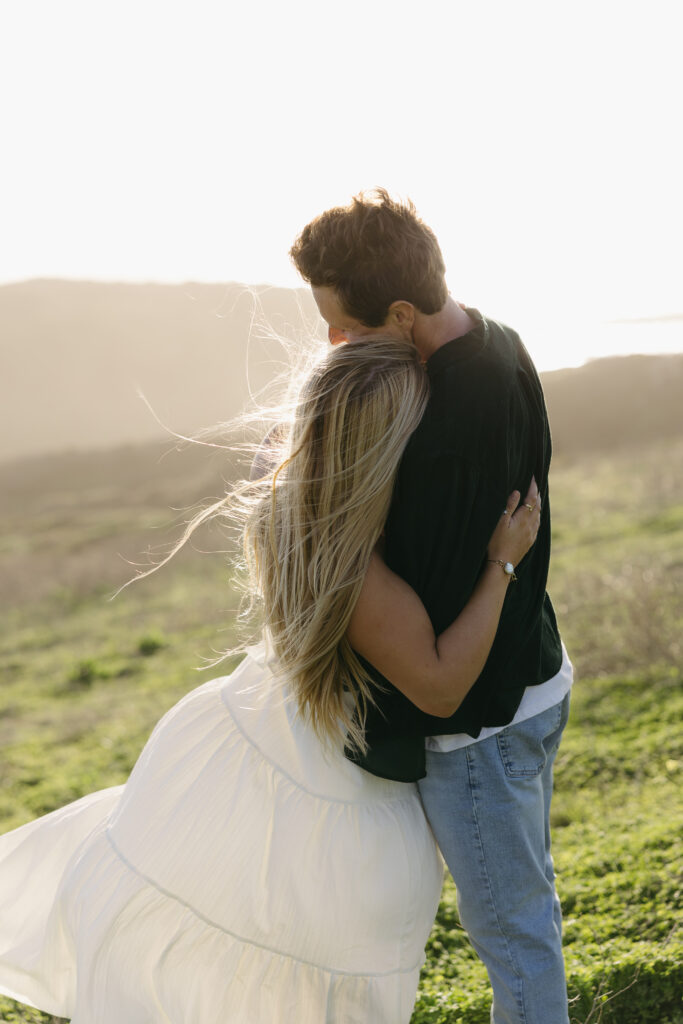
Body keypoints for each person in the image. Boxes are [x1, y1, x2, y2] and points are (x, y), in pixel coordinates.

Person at [0, 336, 541, 1023]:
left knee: (236, 962)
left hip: (243, 735)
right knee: (285, 975)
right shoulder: (355, 568)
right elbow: (437, 687)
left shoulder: (289, 498)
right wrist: (501, 564)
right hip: (313, 784)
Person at [290, 190, 573, 1024]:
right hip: (535, 678)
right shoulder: (496, 338)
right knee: (527, 909)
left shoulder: (446, 430)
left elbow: (438, 675)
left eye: (341, 324)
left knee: (514, 932)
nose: (331, 342)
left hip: (477, 727)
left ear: (405, 311)